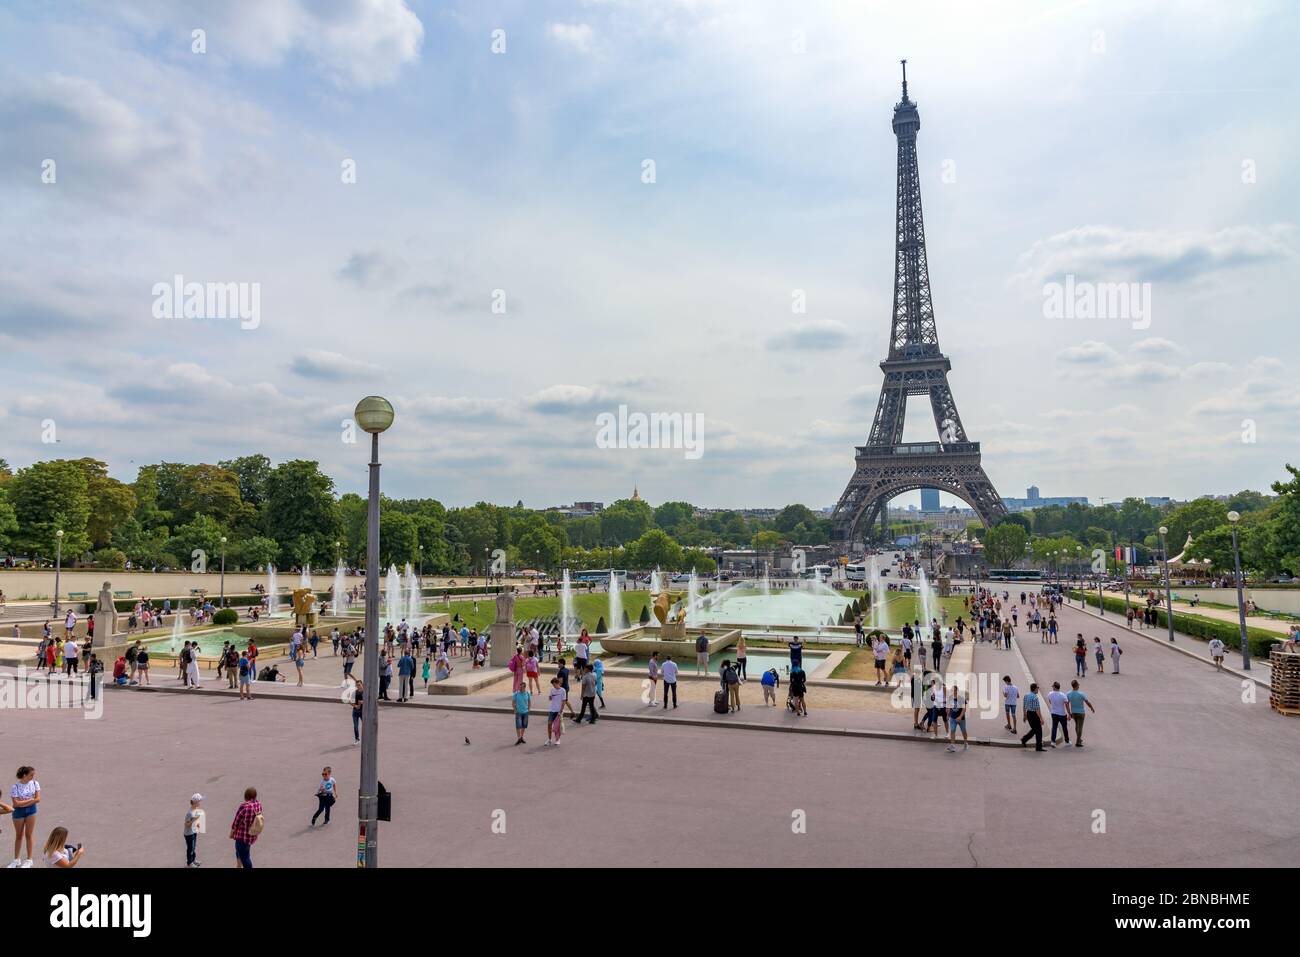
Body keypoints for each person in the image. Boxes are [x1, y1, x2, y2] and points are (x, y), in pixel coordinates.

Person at [8, 766, 40, 868]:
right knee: (19, 835)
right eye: (31, 775)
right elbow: (16, 804)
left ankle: (29, 859)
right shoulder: (15, 787)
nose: (33, 777)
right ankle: (16, 859)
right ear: (24, 775)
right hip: (18, 812)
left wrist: (23, 803)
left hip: (31, 811)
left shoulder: (35, 783)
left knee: (29, 835)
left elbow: (38, 799)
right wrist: (31, 801)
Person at [229, 787, 262, 869]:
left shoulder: (244, 806)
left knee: (245, 857)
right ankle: (238, 865)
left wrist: (232, 832)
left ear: (245, 796)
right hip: (251, 834)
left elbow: (237, 820)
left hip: (242, 836)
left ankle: (241, 865)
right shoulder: (258, 804)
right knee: (240, 851)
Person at [1067, 680, 1095, 748]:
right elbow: (1087, 702)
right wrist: (1091, 708)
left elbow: (1067, 703)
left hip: (1074, 712)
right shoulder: (1081, 694)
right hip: (1081, 712)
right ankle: (1078, 741)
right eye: (1078, 685)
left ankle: (1079, 738)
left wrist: (1069, 712)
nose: (1079, 686)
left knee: (1077, 725)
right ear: (1076, 686)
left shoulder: (1068, 694)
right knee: (1080, 727)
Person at [1020, 683, 1045, 751]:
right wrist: (1041, 718)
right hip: (1034, 715)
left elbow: (1024, 706)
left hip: (1029, 714)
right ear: (1034, 689)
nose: (1038, 690)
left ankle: (1024, 739)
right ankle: (1038, 747)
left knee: (1035, 729)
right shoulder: (1035, 697)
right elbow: (1037, 709)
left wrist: (1025, 715)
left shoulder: (1026, 695)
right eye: (1037, 688)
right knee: (1039, 731)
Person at [946, 683, 969, 752]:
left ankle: (965, 743)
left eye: (954, 690)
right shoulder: (950, 698)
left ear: (957, 691)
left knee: (963, 731)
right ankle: (952, 746)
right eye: (952, 690)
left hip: (961, 718)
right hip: (953, 718)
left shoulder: (961, 698)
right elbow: (949, 707)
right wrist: (948, 715)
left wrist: (960, 716)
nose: (953, 692)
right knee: (952, 730)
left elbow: (964, 709)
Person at [1046, 681, 1071, 747]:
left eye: (1053, 686)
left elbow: (1050, 701)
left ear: (1054, 687)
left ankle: (1053, 742)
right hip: (1062, 713)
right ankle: (1067, 741)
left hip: (1054, 713)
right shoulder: (1063, 695)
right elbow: (1066, 705)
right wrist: (1069, 713)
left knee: (1054, 727)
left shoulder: (1050, 694)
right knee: (1064, 728)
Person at [545, 676, 566, 747]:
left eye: (554, 684)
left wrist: (561, 711)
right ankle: (549, 739)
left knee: (557, 727)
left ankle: (558, 740)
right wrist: (550, 697)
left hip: (558, 711)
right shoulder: (552, 690)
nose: (553, 686)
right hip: (552, 710)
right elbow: (550, 698)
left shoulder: (563, 690)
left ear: (558, 683)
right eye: (553, 685)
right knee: (549, 724)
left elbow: (563, 701)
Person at [184, 794, 204, 867]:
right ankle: (190, 862)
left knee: (193, 846)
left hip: (193, 831)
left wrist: (197, 825)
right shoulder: (189, 813)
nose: (200, 803)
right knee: (190, 848)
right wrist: (194, 819)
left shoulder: (195, 810)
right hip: (189, 833)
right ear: (195, 802)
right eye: (199, 801)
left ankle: (193, 860)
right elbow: (186, 825)